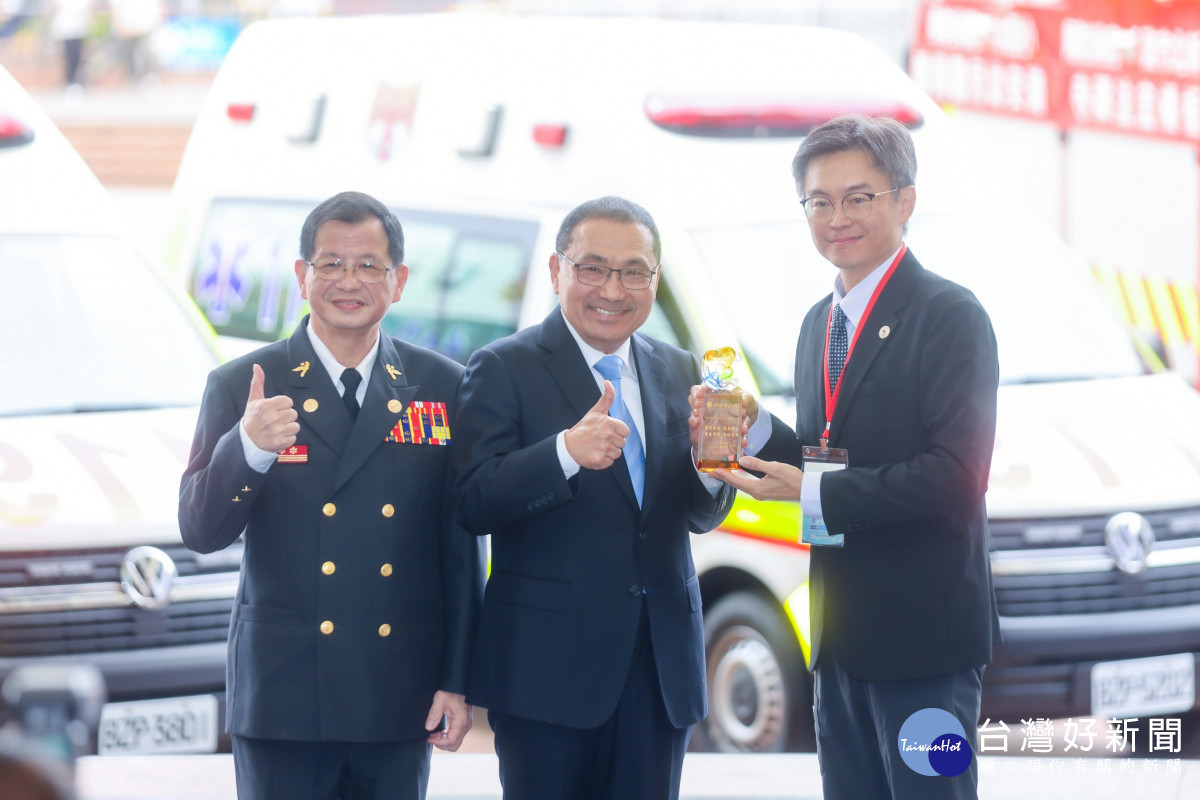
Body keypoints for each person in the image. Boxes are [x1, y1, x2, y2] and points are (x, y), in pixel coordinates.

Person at [708, 114, 1000, 799]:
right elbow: (826, 456)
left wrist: (808, 493)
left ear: (905, 200)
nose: (837, 218)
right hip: (839, 636)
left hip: (925, 643)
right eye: (819, 201)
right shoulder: (820, 323)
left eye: (859, 198)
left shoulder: (950, 315)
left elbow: (957, 476)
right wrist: (754, 428)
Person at [179, 191, 485, 800]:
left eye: (369, 265)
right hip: (285, 694)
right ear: (302, 276)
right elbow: (200, 530)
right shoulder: (244, 384)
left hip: (396, 690)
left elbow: (460, 551)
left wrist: (457, 680)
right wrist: (248, 446)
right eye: (331, 264)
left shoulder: (442, 386)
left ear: (399, 281)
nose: (349, 281)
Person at [452, 196, 735, 800]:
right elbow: (473, 501)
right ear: (557, 270)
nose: (612, 289)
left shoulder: (678, 366)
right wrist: (563, 453)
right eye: (593, 268)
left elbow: (696, 513)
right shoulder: (502, 366)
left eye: (634, 271)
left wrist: (713, 466)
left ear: (655, 279)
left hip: (660, 670)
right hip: (547, 674)